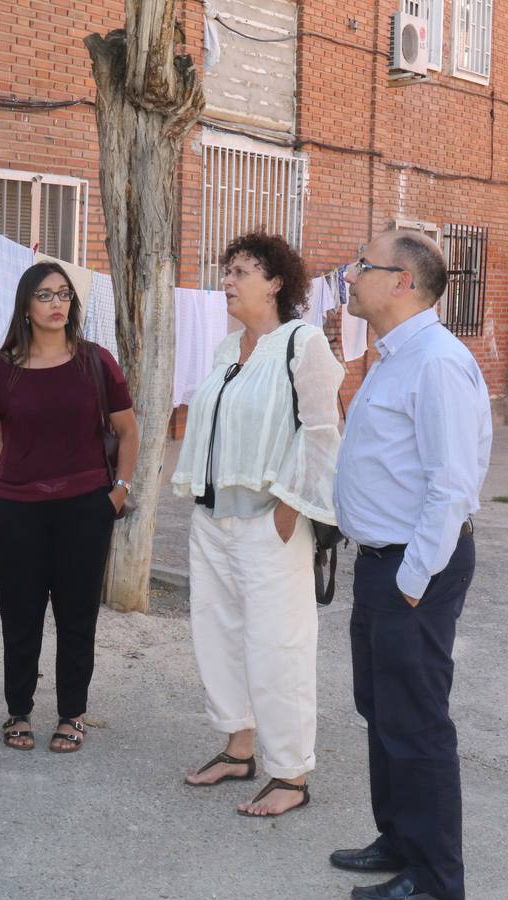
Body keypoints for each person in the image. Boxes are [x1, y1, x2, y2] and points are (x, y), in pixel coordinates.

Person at [330, 230, 491, 900]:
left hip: (413, 567)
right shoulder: (393, 355)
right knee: (382, 707)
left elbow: (451, 484)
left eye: (360, 265)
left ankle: (434, 879)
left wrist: (412, 581)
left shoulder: (435, 362)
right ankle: (398, 837)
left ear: (400, 281)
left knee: (417, 720)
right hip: (382, 563)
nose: (348, 274)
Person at [171, 231, 344, 816]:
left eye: (242, 271)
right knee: (217, 637)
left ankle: (290, 774)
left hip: (271, 522)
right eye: (227, 271)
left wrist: (291, 507)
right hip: (213, 519)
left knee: (279, 645)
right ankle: (238, 748)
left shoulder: (303, 342)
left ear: (275, 282)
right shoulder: (226, 350)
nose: (228, 281)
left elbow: (322, 433)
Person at [0, 262, 137, 754]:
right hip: (17, 511)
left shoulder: (96, 362)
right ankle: (17, 711)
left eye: (63, 294)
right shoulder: (1, 370)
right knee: (19, 616)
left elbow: (128, 431)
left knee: (76, 616)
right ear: (25, 305)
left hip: (85, 508)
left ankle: (72, 714)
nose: (57, 304)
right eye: (45, 295)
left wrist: (118, 491)